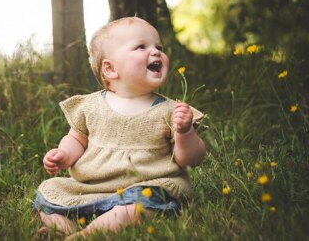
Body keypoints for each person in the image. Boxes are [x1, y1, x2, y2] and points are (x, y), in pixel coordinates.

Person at [33, 17, 206, 239]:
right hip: (93, 187)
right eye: (141, 47)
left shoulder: (171, 111)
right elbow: (77, 139)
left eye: (159, 47)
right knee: (50, 193)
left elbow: (191, 160)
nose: (156, 52)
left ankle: (86, 236)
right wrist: (64, 154)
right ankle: (64, 229)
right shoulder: (91, 106)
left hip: (146, 187)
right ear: (110, 69)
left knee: (135, 209)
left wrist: (185, 133)